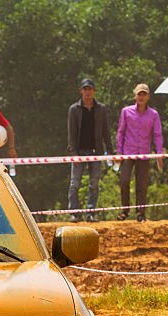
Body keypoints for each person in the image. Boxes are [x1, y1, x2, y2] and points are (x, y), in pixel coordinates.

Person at [115, 83, 163, 222]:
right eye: (139, 94)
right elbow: (121, 131)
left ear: (148, 96)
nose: (141, 97)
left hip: (144, 152)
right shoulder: (126, 111)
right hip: (128, 152)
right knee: (124, 181)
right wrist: (119, 151)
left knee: (142, 184)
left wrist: (159, 153)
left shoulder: (153, 114)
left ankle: (140, 212)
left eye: (144, 94)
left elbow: (157, 134)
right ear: (135, 95)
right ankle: (125, 210)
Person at [66, 78, 111, 222]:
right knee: (75, 183)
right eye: (85, 89)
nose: (87, 92)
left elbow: (105, 130)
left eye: (90, 89)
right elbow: (71, 132)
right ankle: (74, 212)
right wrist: (73, 152)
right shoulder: (74, 109)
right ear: (81, 91)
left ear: (94, 91)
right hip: (79, 151)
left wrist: (109, 150)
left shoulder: (101, 109)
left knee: (94, 184)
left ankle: (91, 212)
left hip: (96, 151)